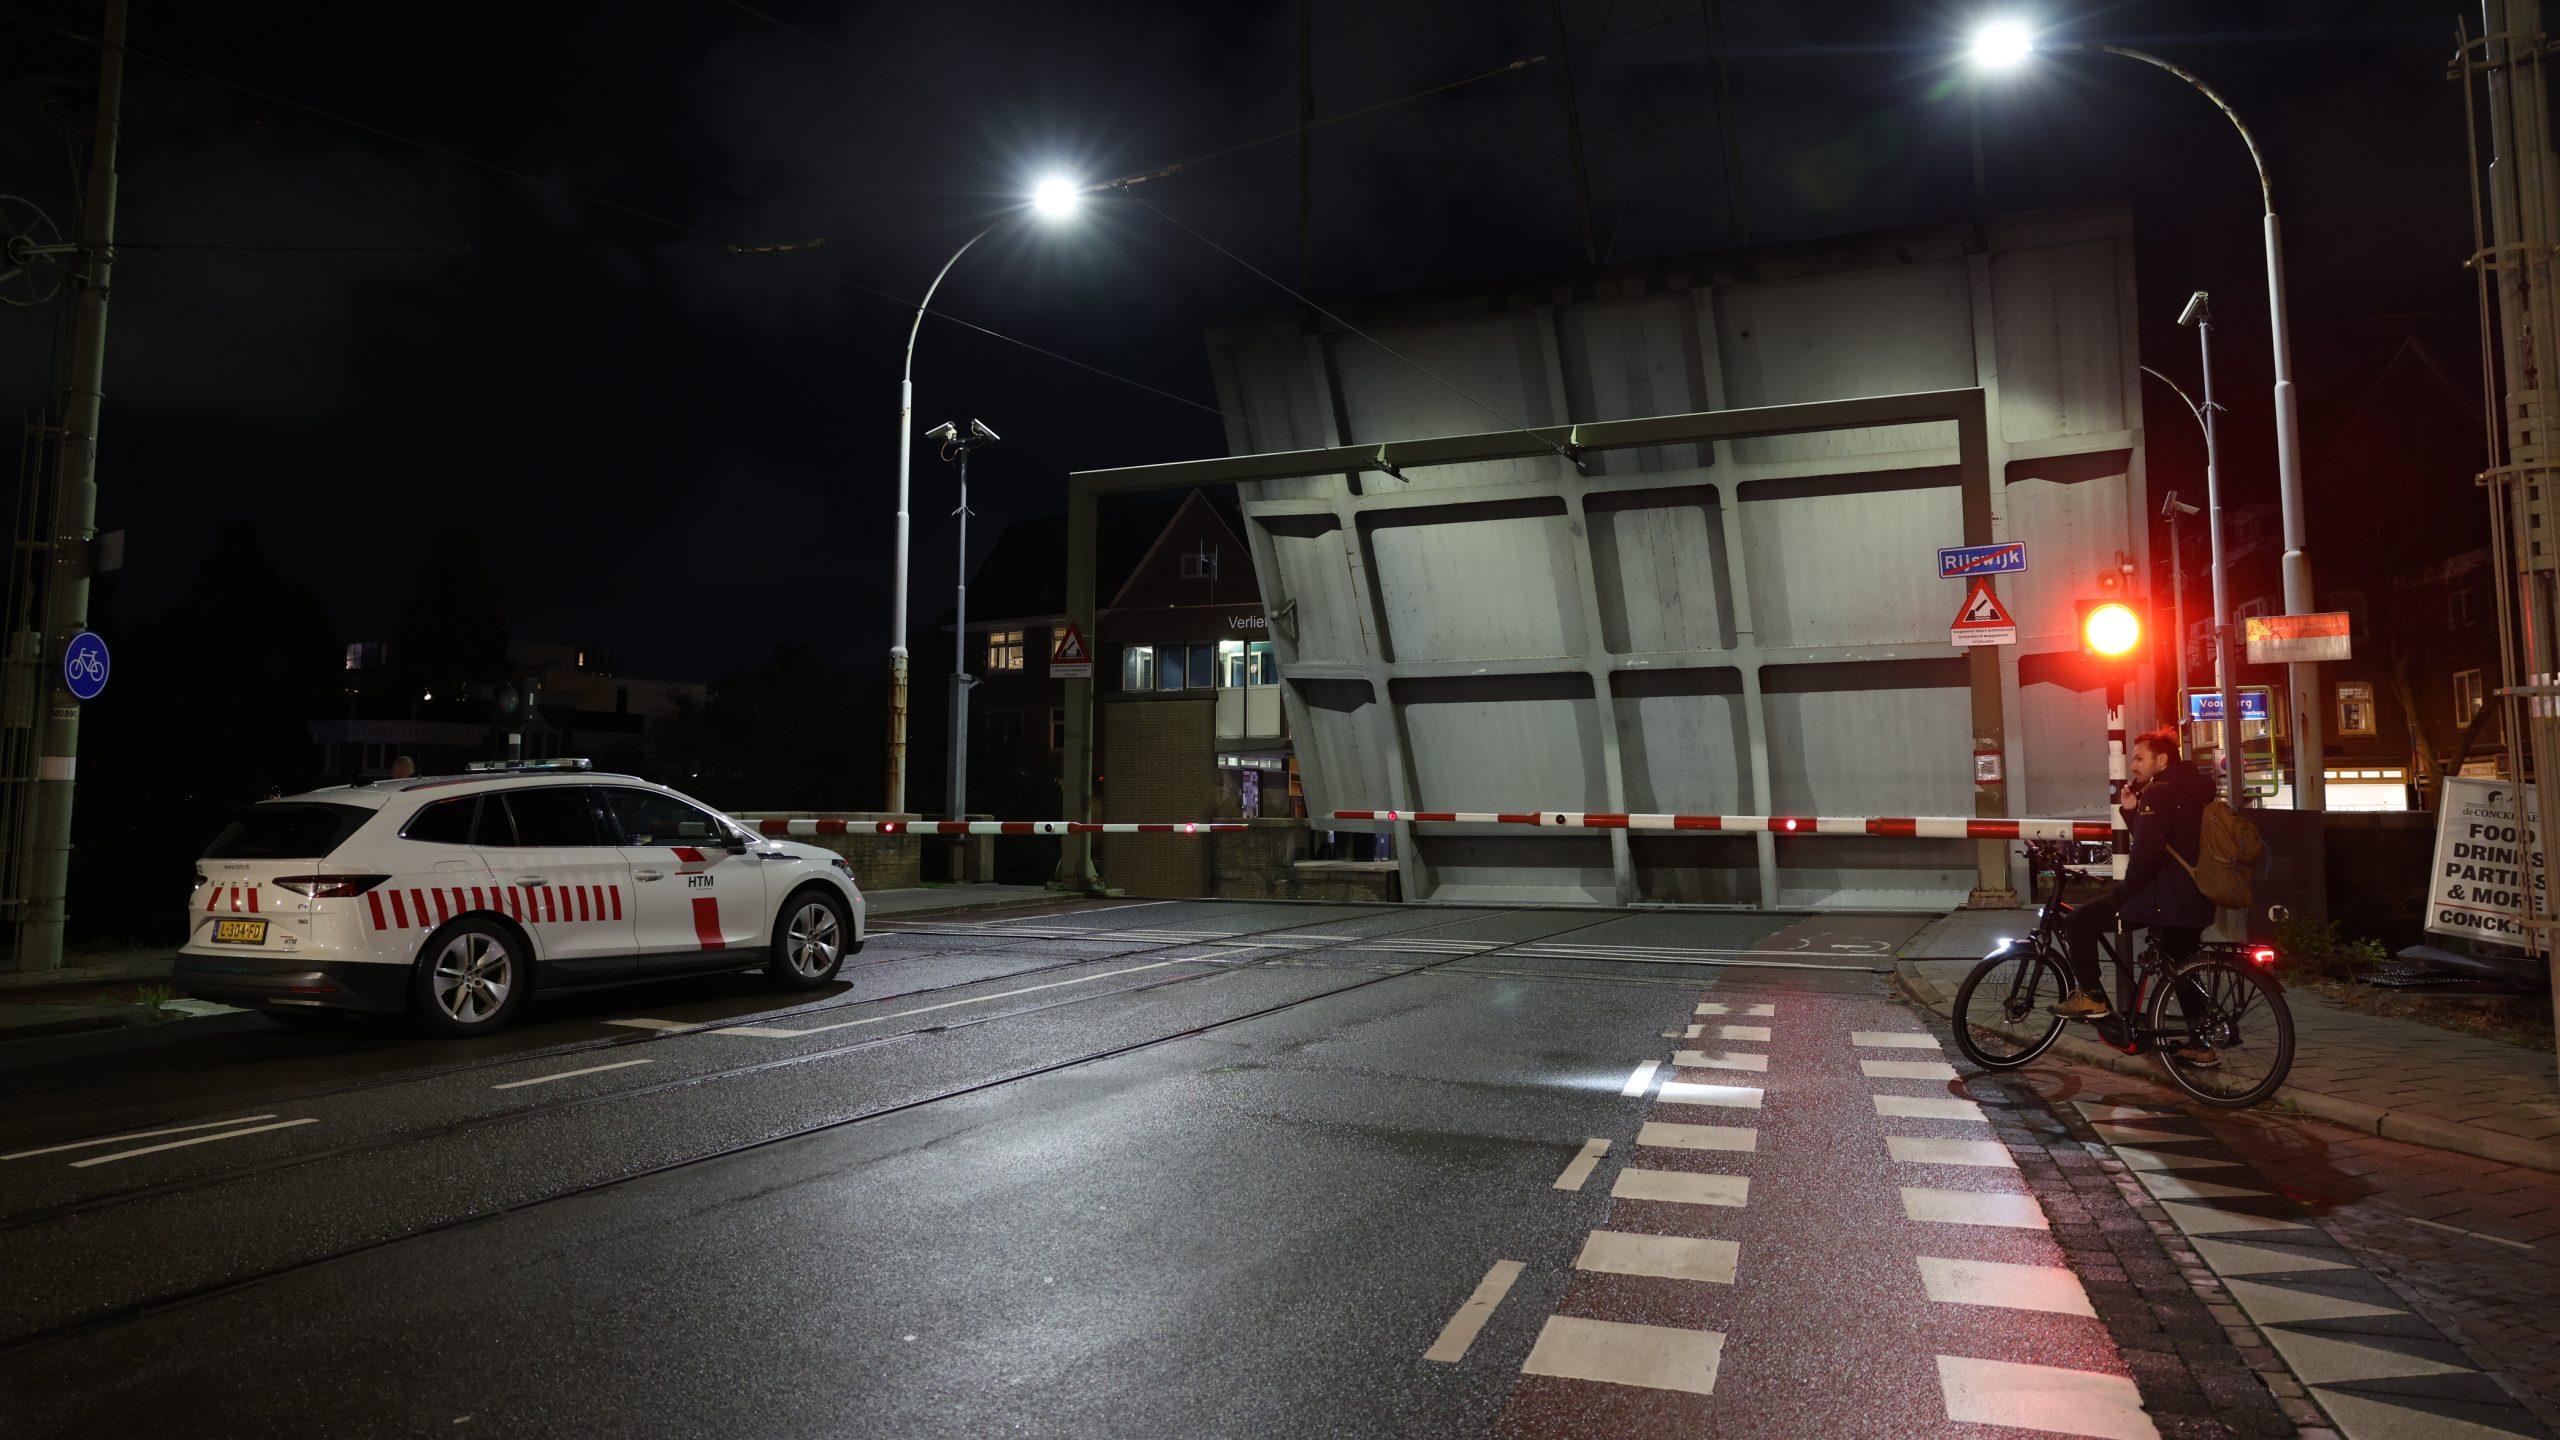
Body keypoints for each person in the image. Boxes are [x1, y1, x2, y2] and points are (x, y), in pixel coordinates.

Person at [2054, 725, 2218, 1065]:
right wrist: (2132, 811)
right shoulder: (2189, 791)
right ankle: (2202, 1046)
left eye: (2140, 759)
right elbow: (2165, 840)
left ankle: (2093, 997)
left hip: (2163, 900)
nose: (2133, 766)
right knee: (2181, 969)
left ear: (2161, 759)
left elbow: (2147, 854)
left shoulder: (2161, 793)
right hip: (2190, 898)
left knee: (2079, 922)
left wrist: (2124, 891)